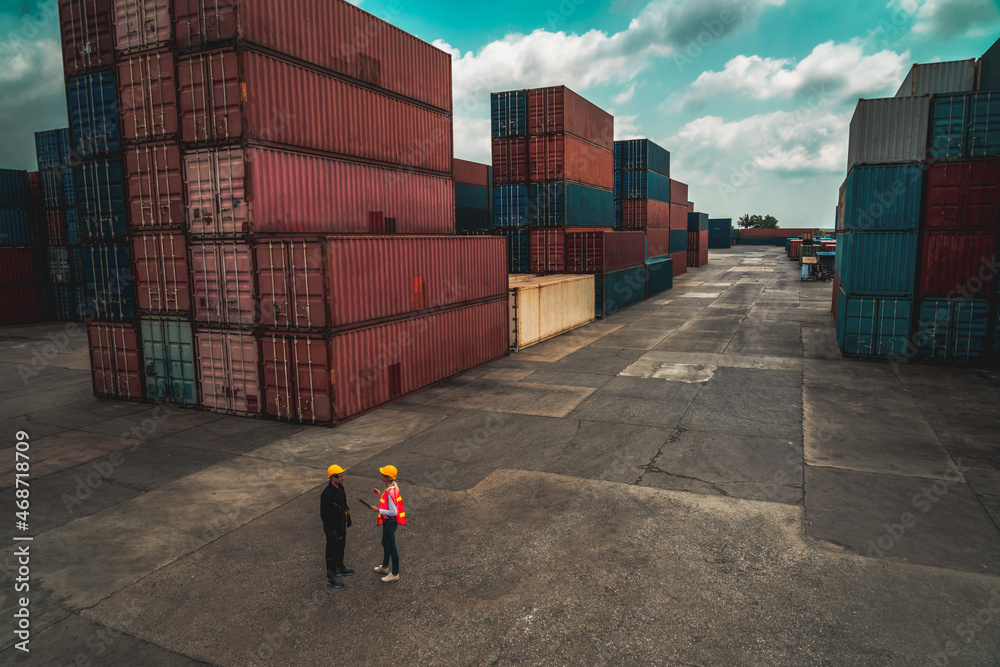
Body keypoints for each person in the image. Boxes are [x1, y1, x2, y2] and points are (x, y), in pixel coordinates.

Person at [370, 465, 405, 582]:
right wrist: (379, 496)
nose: (380, 476)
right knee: (385, 542)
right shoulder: (392, 487)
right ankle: (385, 567)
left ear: (388, 478)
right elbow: (389, 504)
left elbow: (393, 511)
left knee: (391, 547)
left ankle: (395, 573)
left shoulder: (391, 491)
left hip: (390, 521)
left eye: (382, 474)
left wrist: (378, 510)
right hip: (389, 521)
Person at [320, 464, 353, 588]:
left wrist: (348, 517)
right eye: (340, 476)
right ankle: (331, 576)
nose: (343, 478)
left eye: (342, 475)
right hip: (332, 529)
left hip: (341, 525)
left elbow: (344, 505)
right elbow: (324, 515)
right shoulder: (326, 494)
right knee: (331, 552)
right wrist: (330, 531)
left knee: (341, 547)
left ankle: (340, 567)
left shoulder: (341, 488)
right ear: (333, 478)